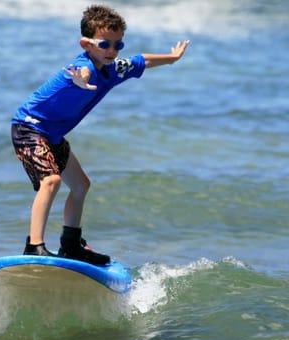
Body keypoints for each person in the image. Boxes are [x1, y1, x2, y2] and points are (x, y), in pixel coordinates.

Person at [11, 4, 190, 265]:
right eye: (105, 44)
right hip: (29, 127)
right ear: (86, 44)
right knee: (51, 181)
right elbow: (79, 74)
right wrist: (81, 81)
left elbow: (142, 60)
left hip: (53, 135)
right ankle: (34, 246)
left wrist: (171, 59)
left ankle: (70, 245)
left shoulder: (113, 69)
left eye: (118, 45)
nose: (113, 51)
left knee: (81, 185)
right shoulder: (82, 66)